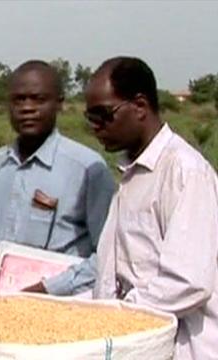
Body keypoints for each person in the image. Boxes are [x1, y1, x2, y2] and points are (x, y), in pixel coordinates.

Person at [88, 56, 218, 360]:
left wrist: (120, 314)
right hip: (135, 342)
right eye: (90, 118)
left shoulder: (184, 172)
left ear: (140, 106)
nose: (96, 128)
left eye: (103, 115)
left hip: (183, 348)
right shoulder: (131, 175)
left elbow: (187, 282)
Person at [0, 60, 115, 296]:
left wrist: (49, 288)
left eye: (38, 99)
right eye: (19, 99)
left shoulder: (87, 168)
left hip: (65, 306)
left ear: (58, 104)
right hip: (4, 302)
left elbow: (109, 256)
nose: (27, 108)